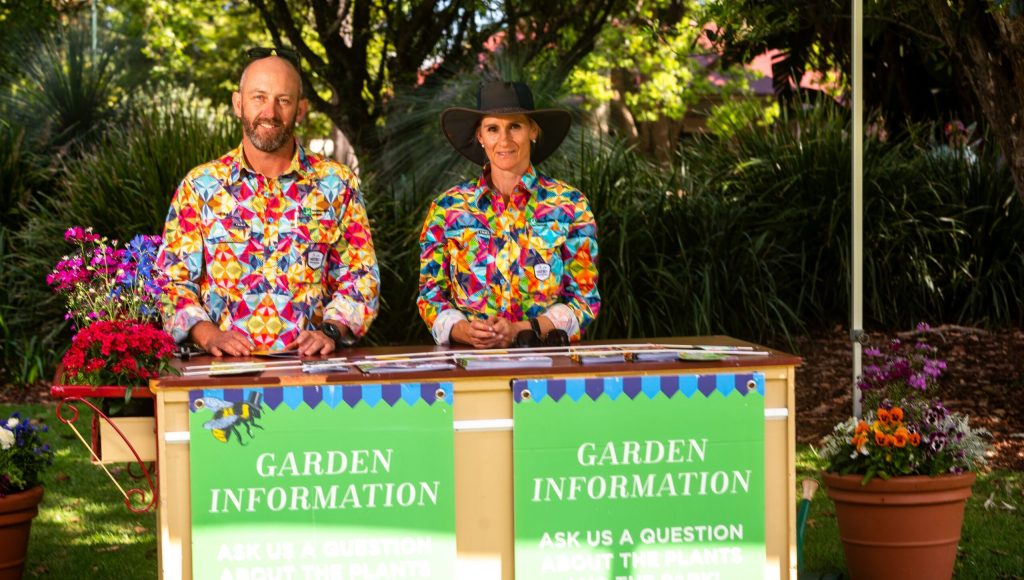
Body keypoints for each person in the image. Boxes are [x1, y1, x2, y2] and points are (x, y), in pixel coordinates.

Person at [157, 47, 379, 357]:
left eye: (283, 100)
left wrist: (330, 330)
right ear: (238, 104)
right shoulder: (200, 187)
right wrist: (209, 336)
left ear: (300, 110)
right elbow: (171, 281)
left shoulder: (337, 184)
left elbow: (361, 277)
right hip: (221, 369)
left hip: (311, 368)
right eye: (259, 97)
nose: (270, 112)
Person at [418, 80, 600, 348]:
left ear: (533, 130)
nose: (504, 140)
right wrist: (463, 330)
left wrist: (523, 330)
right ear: (480, 136)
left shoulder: (570, 205)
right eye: (493, 129)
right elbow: (430, 294)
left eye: (515, 126)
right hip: (469, 362)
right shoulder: (448, 208)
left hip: (545, 361)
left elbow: (584, 300)